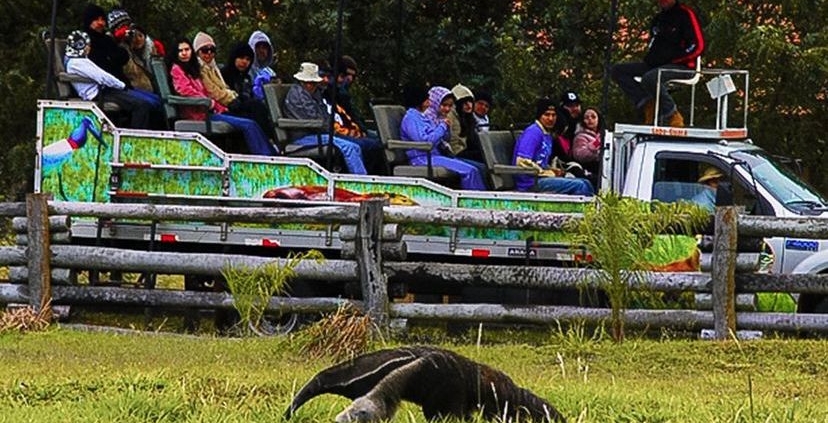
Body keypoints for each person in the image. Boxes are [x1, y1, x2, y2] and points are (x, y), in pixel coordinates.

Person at [167, 37, 277, 156]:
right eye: (180, 51)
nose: (184, 53)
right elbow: (185, 90)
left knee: (252, 119)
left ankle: (273, 155)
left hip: (211, 110)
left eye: (187, 49)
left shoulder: (193, 68)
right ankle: (265, 158)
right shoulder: (177, 69)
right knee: (248, 125)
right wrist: (210, 102)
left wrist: (219, 106)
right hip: (200, 113)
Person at [610, 0, 704, 127]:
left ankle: (672, 113)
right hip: (654, 64)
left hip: (682, 66)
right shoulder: (658, 19)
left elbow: (698, 45)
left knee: (650, 78)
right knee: (618, 71)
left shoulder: (685, 14)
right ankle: (647, 104)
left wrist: (677, 59)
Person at [283, 62, 369, 175]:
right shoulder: (297, 95)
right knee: (349, 148)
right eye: (310, 83)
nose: (313, 86)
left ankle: (366, 177)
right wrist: (330, 128)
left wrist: (330, 126)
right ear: (302, 81)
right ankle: (361, 182)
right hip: (304, 136)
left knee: (356, 146)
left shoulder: (314, 93)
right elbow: (316, 120)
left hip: (319, 133)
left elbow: (325, 115)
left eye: (315, 83)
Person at [399, 85, 487, 191]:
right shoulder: (411, 118)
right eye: (426, 99)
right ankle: (475, 203)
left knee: (475, 169)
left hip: (435, 156)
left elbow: (443, 138)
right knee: (469, 171)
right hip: (422, 158)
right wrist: (442, 126)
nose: (429, 102)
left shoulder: (422, 117)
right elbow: (426, 142)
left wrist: (445, 128)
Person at [64, 30, 154, 129]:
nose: (89, 48)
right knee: (141, 105)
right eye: (87, 45)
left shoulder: (79, 60)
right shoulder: (77, 63)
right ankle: (135, 137)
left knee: (145, 101)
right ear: (80, 45)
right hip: (99, 94)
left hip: (105, 90)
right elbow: (102, 77)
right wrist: (121, 85)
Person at [194, 32, 274, 141]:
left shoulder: (215, 69)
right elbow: (212, 91)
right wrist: (232, 99)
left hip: (230, 105)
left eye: (212, 50)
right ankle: (267, 146)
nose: (244, 62)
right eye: (204, 50)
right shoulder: (207, 70)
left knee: (259, 108)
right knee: (253, 115)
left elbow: (224, 88)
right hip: (219, 108)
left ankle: (271, 143)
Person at [512, 98, 594, 196]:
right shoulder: (533, 132)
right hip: (530, 183)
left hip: (542, 178)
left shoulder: (546, 134)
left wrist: (552, 170)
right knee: (580, 186)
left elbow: (540, 161)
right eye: (547, 114)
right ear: (539, 116)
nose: (551, 118)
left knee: (586, 182)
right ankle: (581, 211)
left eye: (553, 115)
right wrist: (546, 173)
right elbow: (522, 161)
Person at [445, 84, 487, 179]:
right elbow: (454, 143)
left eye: (470, 102)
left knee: (486, 157)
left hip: (465, 150)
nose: (469, 105)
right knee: (483, 166)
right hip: (455, 154)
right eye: (465, 102)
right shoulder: (451, 117)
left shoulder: (468, 118)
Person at [82, 4, 130, 86]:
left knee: (154, 97)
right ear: (88, 22)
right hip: (103, 87)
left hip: (120, 84)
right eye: (96, 20)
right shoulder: (84, 40)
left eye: (102, 19)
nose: (101, 23)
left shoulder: (107, 39)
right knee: (150, 99)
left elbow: (123, 57)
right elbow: (99, 64)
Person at [571, 106, 604, 187]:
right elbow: (579, 155)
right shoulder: (580, 136)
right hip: (589, 172)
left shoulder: (604, 135)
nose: (590, 119)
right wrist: (594, 146)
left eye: (593, 117)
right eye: (586, 117)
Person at [247, 30, 279, 97]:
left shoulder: (270, 73)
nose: (261, 51)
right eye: (258, 47)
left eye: (264, 47)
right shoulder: (245, 70)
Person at [552, 90, 582, 161]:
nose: (575, 109)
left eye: (577, 105)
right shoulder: (556, 126)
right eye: (570, 106)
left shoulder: (582, 124)